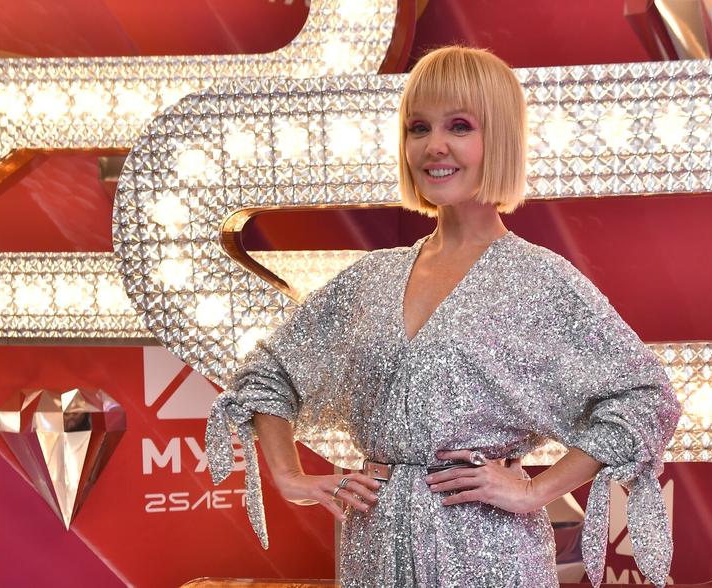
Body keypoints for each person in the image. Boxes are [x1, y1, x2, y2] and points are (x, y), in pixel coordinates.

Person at [206, 46, 681, 588]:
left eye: (459, 126)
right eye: (418, 127)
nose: (434, 146)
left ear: (499, 138)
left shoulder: (538, 278)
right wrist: (290, 477)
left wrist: (536, 490)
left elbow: (646, 398)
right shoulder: (373, 276)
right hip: (373, 543)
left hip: (488, 547)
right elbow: (269, 376)